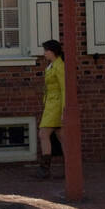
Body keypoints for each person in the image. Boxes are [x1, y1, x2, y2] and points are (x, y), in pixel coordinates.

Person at [36, 39, 65, 179]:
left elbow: (64, 89)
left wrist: (64, 110)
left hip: (56, 106)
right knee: (62, 137)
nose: (44, 53)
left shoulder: (59, 66)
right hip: (50, 105)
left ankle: (45, 169)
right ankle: (70, 167)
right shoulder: (52, 65)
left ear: (52, 51)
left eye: (46, 50)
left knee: (43, 134)